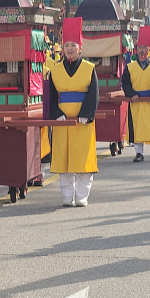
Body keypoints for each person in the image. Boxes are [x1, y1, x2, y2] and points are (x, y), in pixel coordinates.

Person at [49, 16, 99, 207]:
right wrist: (55, 114)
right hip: (62, 120)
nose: (69, 49)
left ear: (80, 47)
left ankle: (82, 196)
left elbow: (93, 93)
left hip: (82, 120)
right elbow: (51, 96)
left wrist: (86, 114)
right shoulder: (54, 70)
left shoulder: (89, 68)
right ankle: (66, 196)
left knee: (83, 159)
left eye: (73, 45)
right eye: (66, 45)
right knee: (64, 159)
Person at [121, 26, 150, 163]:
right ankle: (139, 153)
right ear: (136, 50)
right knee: (137, 127)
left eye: (144, 47)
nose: (142, 50)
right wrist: (131, 94)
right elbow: (125, 84)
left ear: (149, 50)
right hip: (136, 102)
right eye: (139, 47)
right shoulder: (130, 67)